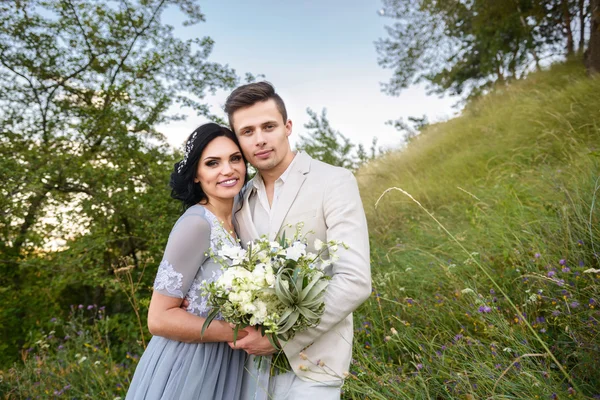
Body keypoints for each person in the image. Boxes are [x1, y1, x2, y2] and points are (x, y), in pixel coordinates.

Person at [225, 82, 372, 399]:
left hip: (318, 365)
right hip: (253, 371)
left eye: (268, 126)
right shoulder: (238, 201)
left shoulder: (333, 181)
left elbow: (355, 280)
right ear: (238, 141)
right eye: (247, 132)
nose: (260, 139)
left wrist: (280, 340)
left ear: (287, 127)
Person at [126, 123, 260, 400]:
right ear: (196, 175)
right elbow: (159, 318)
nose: (228, 170)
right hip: (191, 364)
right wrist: (239, 332)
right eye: (212, 163)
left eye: (235, 158)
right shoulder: (196, 224)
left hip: (230, 363)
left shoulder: (241, 218)